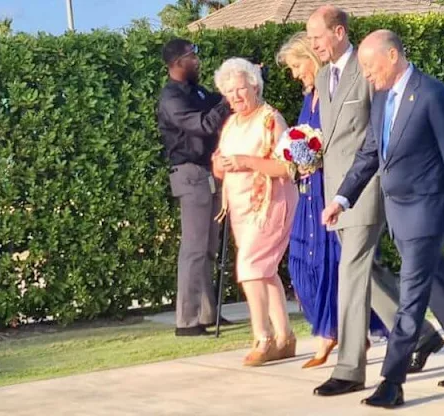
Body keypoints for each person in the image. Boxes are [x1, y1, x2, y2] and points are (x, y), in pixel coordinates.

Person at [322, 30, 444, 408]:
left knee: (412, 296)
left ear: (392, 56)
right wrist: (342, 197)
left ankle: (392, 380)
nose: (366, 74)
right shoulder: (382, 98)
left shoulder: (433, 95)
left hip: (426, 211)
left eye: (370, 66)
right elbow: (370, 154)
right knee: (440, 288)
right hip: (398, 212)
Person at [306, 5, 444, 397]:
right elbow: (334, 137)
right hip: (339, 190)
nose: (313, 44)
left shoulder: (366, 70)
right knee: (368, 271)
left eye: (317, 36)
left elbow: (384, 130)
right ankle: (421, 335)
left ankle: (349, 368)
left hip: (367, 189)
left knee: (350, 273)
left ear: (339, 32)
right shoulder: (321, 75)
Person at [276, 32, 389, 369]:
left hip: (340, 189)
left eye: (297, 65)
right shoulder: (312, 94)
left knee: (342, 265)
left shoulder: (339, 86)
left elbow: (351, 136)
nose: (296, 74)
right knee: (311, 265)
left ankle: (341, 339)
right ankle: (349, 333)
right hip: (312, 191)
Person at [212, 57, 299, 367]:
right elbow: (220, 164)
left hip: (271, 204)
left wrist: (246, 162)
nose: (235, 96)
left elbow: (288, 166)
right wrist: (220, 165)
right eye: (229, 91)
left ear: (255, 85)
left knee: (249, 268)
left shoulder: (271, 119)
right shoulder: (231, 123)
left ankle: (262, 337)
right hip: (240, 208)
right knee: (264, 270)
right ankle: (285, 338)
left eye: (240, 89)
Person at [157, 38, 233, 337]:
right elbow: (202, 125)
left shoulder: (197, 91)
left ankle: (207, 313)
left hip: (209, 173)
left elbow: (217, 103)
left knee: (208, 248)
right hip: (190, 175)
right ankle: (186, 321)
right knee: (193, 250)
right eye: (192, 55)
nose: (197, 60)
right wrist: (226, 104)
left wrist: (236, 88)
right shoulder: (171, 99)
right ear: (177, 62)